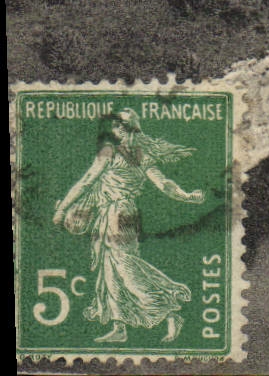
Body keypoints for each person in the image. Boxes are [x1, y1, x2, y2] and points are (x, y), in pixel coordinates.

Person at [52, 108, 204, 344]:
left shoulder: (109, 152)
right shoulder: (142, 155)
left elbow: (86, 181)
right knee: (110, 269)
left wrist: (63, 209)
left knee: (124, 267)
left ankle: (169, 308)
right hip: (124, 214)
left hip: (117, 214)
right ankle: (119, 327)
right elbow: (164, 185)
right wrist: (186, 196)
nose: (114, 130)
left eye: (116, 126)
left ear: (121, 129)